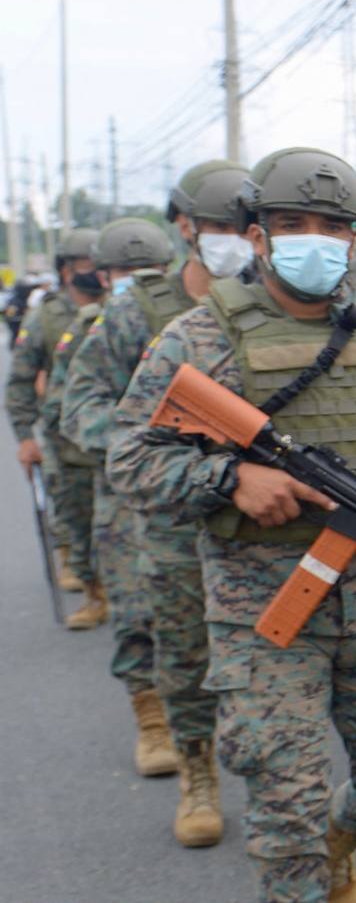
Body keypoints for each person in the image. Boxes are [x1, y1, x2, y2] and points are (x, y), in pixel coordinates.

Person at [107, 147, 356, 900]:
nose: (315, 239)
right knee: (285, 803)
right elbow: (130, 457)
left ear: (355, 236)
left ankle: (338, 838)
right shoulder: (199, 336)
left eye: (333, 226)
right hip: (261, 607)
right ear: (257, 234)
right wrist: (230, 478)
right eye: (292, 222)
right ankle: (305, 868)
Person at [67, 161, 253, 848]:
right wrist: (142, 446)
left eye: (244, 226)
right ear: (185, 227)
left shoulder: (276, 305)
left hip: (262, 511)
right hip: (170, 513)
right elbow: (82, 400)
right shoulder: (139, 309)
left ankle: (283, 776)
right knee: (179, 648)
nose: (233, 237)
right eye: (219, 225)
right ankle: (196, 770)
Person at [53, 219, 181, 784]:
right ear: (102, 276)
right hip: (128, 494)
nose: (136, 279)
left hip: (203, 491)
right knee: (136, 611)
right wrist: (145, 440)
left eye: (147, 270)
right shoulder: (95, 329)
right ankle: (153, 723)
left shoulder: (199, 319)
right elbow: (73, 409)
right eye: (125, 271)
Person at [5, 228, 103, 607]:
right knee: (75, 518)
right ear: (67, 270)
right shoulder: (45, 316)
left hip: (115, 438)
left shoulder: (119, 307)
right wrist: (26, 438)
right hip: (65, 442)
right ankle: (91, 591)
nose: (97, 272)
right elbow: (20, 381)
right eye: (88, 265)